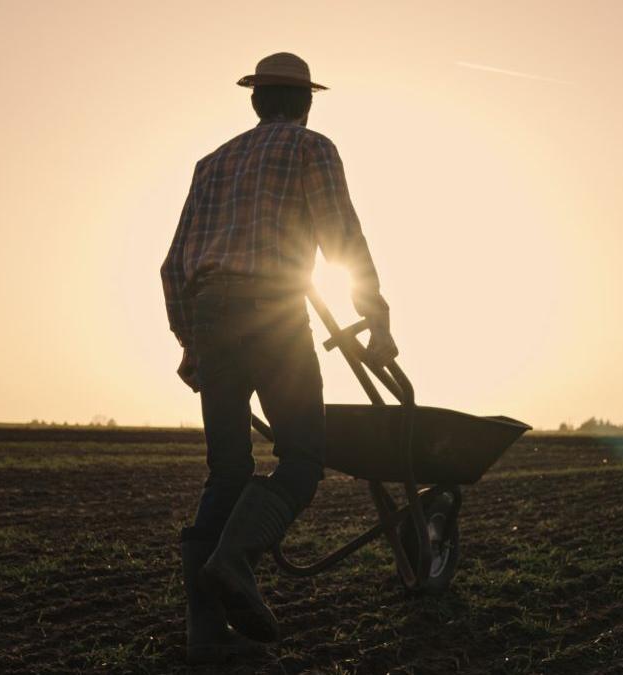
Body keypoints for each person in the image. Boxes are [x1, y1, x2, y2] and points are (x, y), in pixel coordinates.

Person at [160, 52, 398, 664]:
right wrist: (376, 315)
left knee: (227, 472)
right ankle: (236, 561)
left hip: (211, 315)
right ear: (306, 101)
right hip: (273, 311)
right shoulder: (311, 147)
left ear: (255, 101)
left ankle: (206, 635)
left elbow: (171, 265)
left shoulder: (210, 164)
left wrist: (192, 342)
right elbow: (340, 234)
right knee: (302, 457)